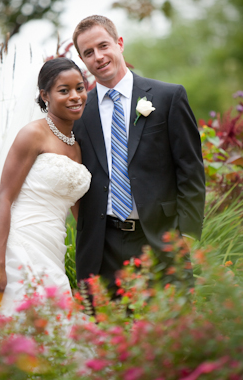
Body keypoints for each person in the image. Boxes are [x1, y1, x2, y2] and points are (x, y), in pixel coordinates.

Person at [71, 15, 205, 289]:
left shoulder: (168, 97)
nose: (98, 56)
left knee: (170, 330)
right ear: (83, 60)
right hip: (100, 247)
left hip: (160, 241)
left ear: (119, 43)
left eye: (103, 46)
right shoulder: (79, 113)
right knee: (106, 331)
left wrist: (187, 236)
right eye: (88, 52)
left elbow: (191, 170)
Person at [0, 58, 92, 312]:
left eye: (80, 88)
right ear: (45, 95)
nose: (75, 96)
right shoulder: (33, 134)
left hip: (53, 245)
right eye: (64, 90)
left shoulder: (77, 144)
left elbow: (78, 211)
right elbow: (4, 198)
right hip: (20, 243)